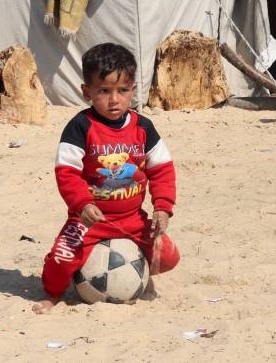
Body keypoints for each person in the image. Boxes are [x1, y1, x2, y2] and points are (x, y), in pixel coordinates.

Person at [33, 43, 180, 314]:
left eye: (122, 91)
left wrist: (162, 208)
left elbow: (161, 169)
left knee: (169, 256)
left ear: (132, 90)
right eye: (104, 91)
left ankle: (139, 273)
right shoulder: (80, 127)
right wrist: (83, 204)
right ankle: (52, 294)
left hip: (133, 220)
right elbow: (67, 173)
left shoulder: (143, 128)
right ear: (86, 92)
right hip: (89, 220)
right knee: (61, 260)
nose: (114, 100)